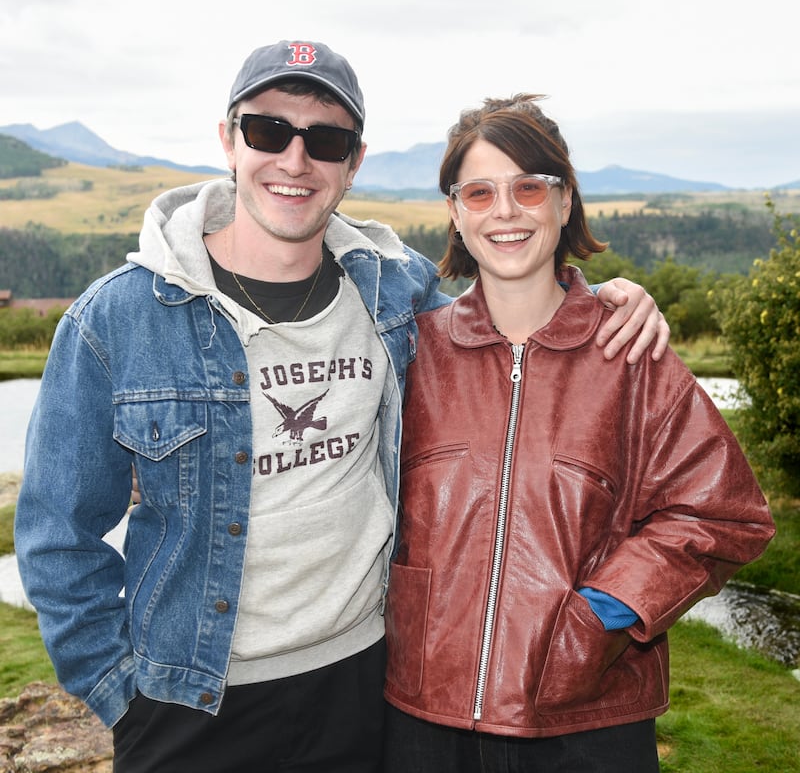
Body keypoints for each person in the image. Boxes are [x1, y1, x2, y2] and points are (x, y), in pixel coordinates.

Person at [15, 42, 667, 772]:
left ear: (353, 164)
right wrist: (121, 694)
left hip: (362, 686)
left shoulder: (397, 295)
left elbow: (509, 320)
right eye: (269, 131)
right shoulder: (117, 320)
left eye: (325, 140)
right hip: (189, 705)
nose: (295, 161)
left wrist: (600, 299)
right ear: (228, 140)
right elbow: (57, 534)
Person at [382, 94, 776, 772]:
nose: (504, 211)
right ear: (454, 211)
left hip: (585, 724)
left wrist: (602, 616)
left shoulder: (629, 353)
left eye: (528, 188)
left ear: (564, 204)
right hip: (422, 719)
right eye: (479, 192)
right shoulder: (413, 352)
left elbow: (725, 514)